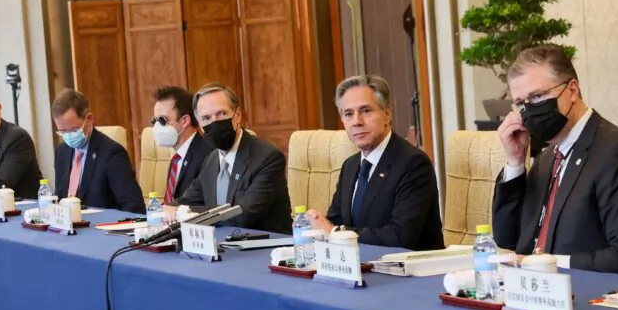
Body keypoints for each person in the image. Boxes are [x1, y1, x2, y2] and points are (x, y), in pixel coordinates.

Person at [491, 44, 618, 278]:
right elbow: (508, 239)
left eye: (537, 96)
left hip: (603, 300)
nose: (530, 111)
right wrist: (515, 163)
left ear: (572, 90)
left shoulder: (617, 153)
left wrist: (549, 264)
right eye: (522, 104)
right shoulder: (546, 159)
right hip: (539, 296)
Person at [304, 75, 444, 250]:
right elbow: (337, 220)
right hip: (360, 266)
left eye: (366, 111)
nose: (357, 121)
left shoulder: (413, 163)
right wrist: (317, 225)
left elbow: (400, 236)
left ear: (387, 114)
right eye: (348, 114)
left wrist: (335, 233)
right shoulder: (351, 165)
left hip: (409, 270)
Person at [174, 82, 292, 234]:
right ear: (200, 124)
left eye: (222, 114)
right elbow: (186, 200)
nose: (214, 122)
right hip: (223, 246)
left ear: (237, 116)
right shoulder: (212, 160)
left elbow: (242, 216)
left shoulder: (267, 158)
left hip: (265, 248)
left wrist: (184, 212)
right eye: (206, 118)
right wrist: (166, 209)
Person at [52, 89, 144, 213]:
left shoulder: (112, 153)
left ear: (89, 119)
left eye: (73, 130)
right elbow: (60, 198)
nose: (68, 136)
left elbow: (133, 206)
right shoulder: (62, 152)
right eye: (62, 132)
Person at [152, 85, 211, 203]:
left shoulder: (207, 155)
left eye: (163, 120)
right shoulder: (176, 159)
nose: (157, 127)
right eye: (154, 121)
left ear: (184, 121)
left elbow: (199, 203)